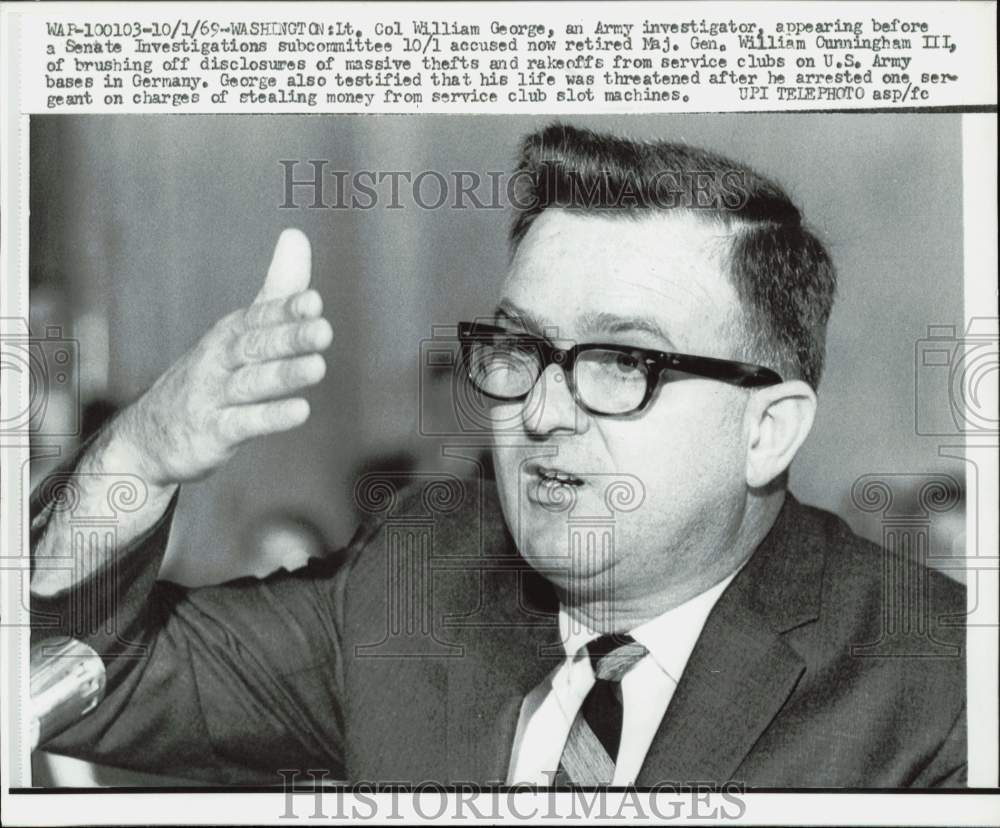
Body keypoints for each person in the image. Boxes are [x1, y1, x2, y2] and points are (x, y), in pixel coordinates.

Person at [30, 124, 965, 788]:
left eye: (622, 362)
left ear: (769, 428)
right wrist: (142, 456)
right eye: (523, 350)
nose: (543, 411)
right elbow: (69, 689)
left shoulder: (939, 686)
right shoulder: (424, 573)